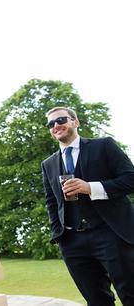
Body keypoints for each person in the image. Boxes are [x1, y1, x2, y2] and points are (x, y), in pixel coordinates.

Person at [41, 106, 134, 306]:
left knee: (131, 293)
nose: (56, 126)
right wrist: (59, 235)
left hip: (111, 232)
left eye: (61, 120)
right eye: (51, 124)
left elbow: (130, 179)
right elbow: (51, 201)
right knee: (96, 300)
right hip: (72, 241)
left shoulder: (104, 146)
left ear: (76, 122)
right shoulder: (48, 164)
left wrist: (90, 187)